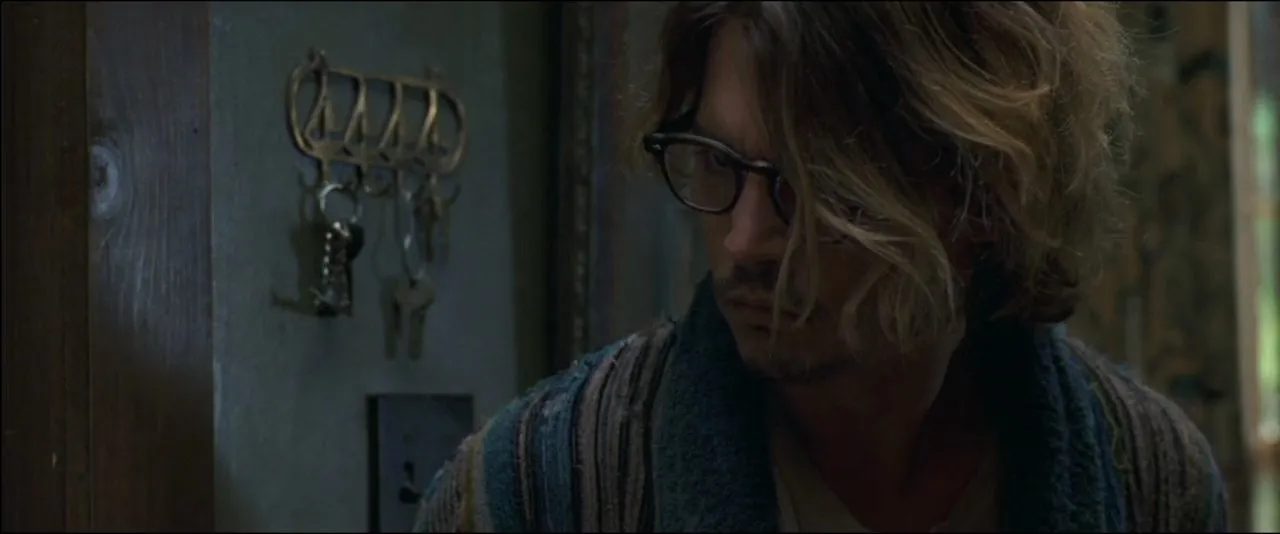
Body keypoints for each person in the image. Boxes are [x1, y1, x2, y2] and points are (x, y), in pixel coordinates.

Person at [414, 2, 1229, 532]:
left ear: (984, 197)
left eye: (813, 188)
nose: (744, 241)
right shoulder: (543, 491)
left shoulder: (1149, 483)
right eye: (717, 162)